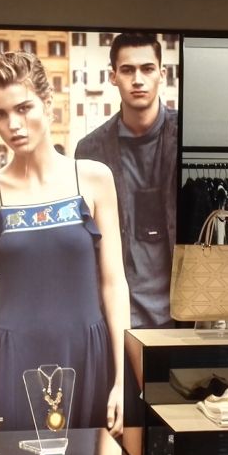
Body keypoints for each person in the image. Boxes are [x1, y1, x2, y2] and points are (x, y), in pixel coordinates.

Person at [0, 51, 130, 436]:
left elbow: (114, 284)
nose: (13, 125)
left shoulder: (93, 179)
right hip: (10, 364)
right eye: (0, 114)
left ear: (48, 103)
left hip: (88, 359)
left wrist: (123, 379)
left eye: (23, 108)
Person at [75, 32, 178, 333]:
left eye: (147, 69)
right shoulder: (90, 150)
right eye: (128, 70)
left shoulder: (186, 137)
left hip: (184, 312)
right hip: (117, 313)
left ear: (162, 74)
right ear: (113, 77)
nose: (138, 80)